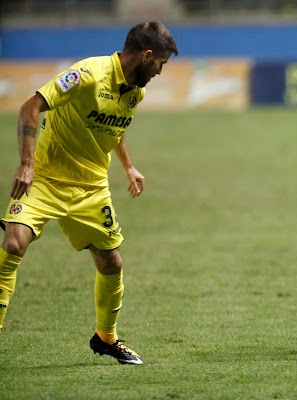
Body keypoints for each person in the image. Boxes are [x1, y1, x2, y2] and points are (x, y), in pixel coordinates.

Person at [0, 21, 178, 364]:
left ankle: (106, 338)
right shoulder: (87, 75)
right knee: (12, 244)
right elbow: (29, 108)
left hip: (91, 189)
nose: (160, 72)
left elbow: (114, 127)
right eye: (161, 64)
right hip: (46, 179)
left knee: (112, 262)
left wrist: (128, 166)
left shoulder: (135, 91)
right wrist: (26, 163)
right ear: (147, 55)